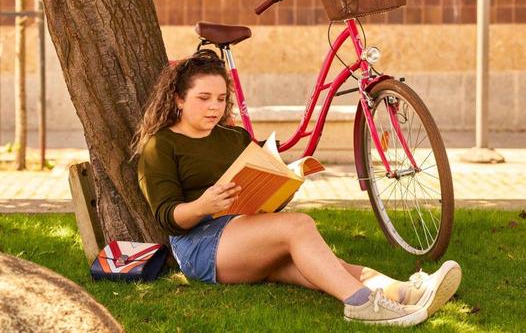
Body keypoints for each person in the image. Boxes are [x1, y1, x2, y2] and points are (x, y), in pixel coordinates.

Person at [131, 49, 462, 327]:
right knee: (299, 226)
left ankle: (406, 294)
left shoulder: (234, 138)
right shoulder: (160, 146)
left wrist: (287, 182)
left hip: (244, 233)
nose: (214, 107)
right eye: (203, 98)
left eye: (220, 98)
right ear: (178, 99)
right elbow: (166, 219)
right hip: (201, 245)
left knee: (328, 267)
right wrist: (204, 204)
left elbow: (264, 196)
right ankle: (361, 305)